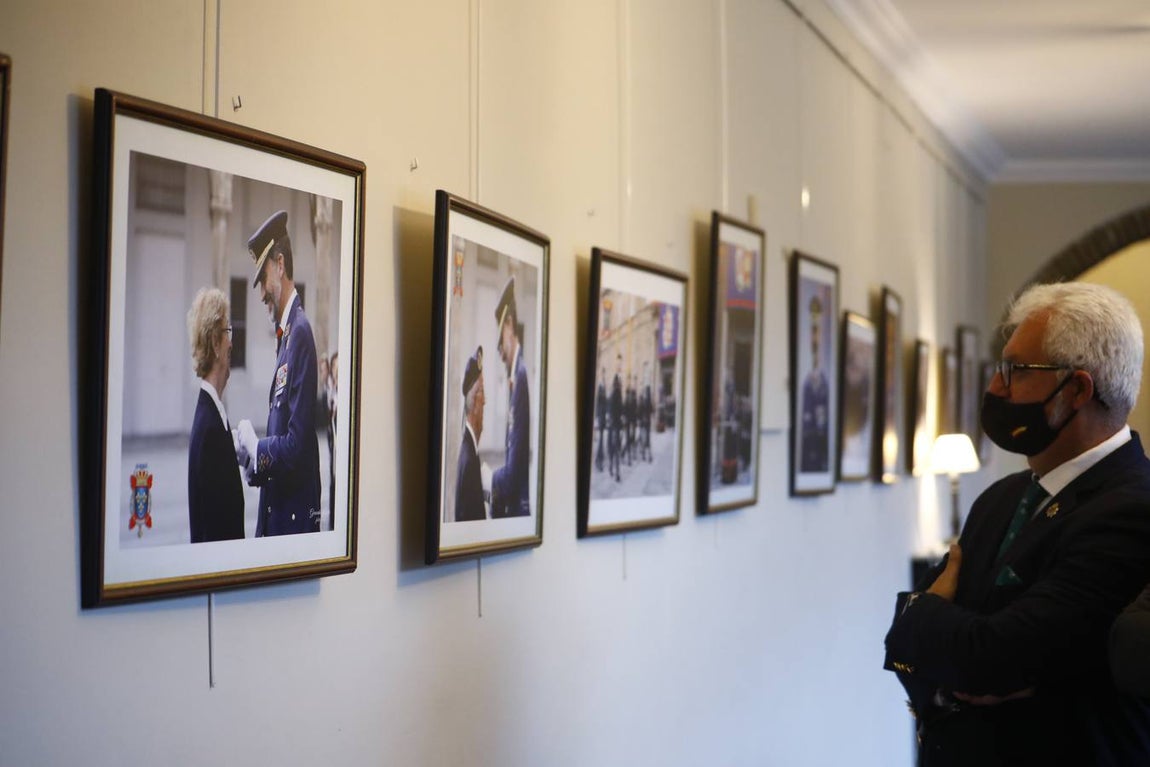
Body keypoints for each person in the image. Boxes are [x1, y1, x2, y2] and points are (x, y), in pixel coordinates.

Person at [884, 282, 1150, 765]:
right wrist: (950, 664)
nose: (995, 388)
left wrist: (933, 625)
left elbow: (992, 660)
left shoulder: (1133, 509)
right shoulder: (1002, 497)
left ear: (1077, 389)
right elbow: (903, 641)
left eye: (1015, 370)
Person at [235, 210, 322, 536]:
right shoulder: (287, 335)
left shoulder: (299, 333)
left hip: (291, 520)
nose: (260, 293)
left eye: (263, 279)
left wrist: (258, 449)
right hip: (279, 512)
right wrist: (251, 461)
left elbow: (296, 446)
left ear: (281, 265)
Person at [185, 287, 245, 543]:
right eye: (227, 331)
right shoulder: (208, 428)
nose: (232, 342)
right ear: (215, 344)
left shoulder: (214, 415)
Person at [489, 276, 530, 518]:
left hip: (518, 507)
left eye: (499, 345)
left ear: (509, 327)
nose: (500, 354)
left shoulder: (521, 376)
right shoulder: (517, 374)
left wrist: (489, 478)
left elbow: (515, 472)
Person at [454, 346, 487, 521]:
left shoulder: (471, 453)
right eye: (482, 391)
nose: (486, 400)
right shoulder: (468, 458)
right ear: (473, 400)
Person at [799, 294, 829, 472]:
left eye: (817, 332)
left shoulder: (824, 386)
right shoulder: (806, 385)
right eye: (812, 332)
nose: (815, 338)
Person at [608, 354, 624, 482]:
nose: (619, 385)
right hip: (614, 426)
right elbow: (612, 410)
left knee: (616, 448)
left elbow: (621, 409)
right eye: (618, 384)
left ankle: (613, 468)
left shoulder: (618, 395)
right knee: (615, 448)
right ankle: (614, 470)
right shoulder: (614, 395)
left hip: (617, 425)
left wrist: (622, 419)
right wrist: (614, 421)